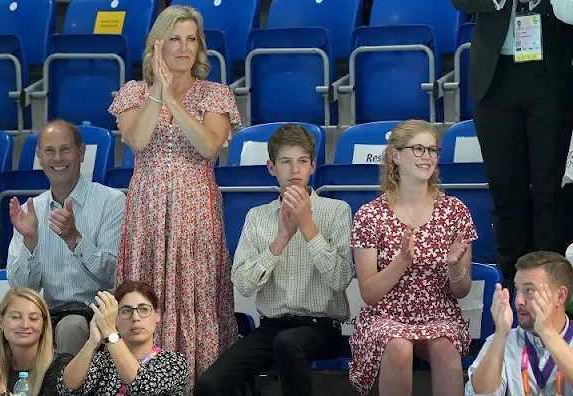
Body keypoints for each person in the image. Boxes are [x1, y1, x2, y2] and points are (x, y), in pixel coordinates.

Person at [107, 4, 239, 388]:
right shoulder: (134, 92)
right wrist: (156, 95)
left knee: (192, 298)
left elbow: (209, 146)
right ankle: (141, 384)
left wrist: (173, 101)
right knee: (145, 294)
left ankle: (193, 382)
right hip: (147, 211)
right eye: (175, 39)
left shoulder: (215, 94)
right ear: (157, 46)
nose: (184, 48)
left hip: (194, 209)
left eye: (192, 40)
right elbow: (138, 139)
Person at [195, 123, 354, 396]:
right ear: (272, 167)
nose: (295, 170)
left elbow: (340, 279)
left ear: (313, 166)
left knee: (289, 343)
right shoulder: (257, 217)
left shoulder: (336, 210)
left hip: (321, 328)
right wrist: (280, 239)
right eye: (286, 162)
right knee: (209, 385)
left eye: (302, 161)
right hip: (271, 327)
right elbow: (243, 284)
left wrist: (307, 226)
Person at [450, 0, 573, 291]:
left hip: (551, 73)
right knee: (506, 190)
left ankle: (549, 286)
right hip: (495, 77)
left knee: (550, 189)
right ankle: (512, 285)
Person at [348, 120, 477, 396]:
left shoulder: (455, 211)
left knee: (444, 345)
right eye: (418, 149)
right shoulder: (370, 215)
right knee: (398, 345)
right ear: (395, 155)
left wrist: (454, 267)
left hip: (439, 311)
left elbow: (462, 291)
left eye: (432, 150)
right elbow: (369, 293)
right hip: (386, 314)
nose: (427, 157)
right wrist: (401, 262)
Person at [0, 119, 126, 357]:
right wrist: (30, 243)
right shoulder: (31, 210)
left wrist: (75, 239)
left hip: (95, 313)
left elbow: (114, 273)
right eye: (49, 151)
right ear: (39, 157)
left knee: (71, 327)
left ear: (81, 152)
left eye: (65, 149)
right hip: (47, 312)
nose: (57, 159)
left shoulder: (112, 202)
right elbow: (22, 287)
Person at [465, 251, 573, 395]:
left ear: (560, 296)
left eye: (529, 290)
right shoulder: (503, 340)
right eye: (517, 289)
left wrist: (547, 332)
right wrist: (500, 335)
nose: (518, 301)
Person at [58, 281, 189, 395]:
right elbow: (67, 389)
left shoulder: (174, 362)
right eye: (126, 311)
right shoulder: (102, 362)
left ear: (157, 315)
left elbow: (141, 387)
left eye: (143, 309)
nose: (135, 317)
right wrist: (92, 343)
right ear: (115, 319)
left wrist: (110, 332)